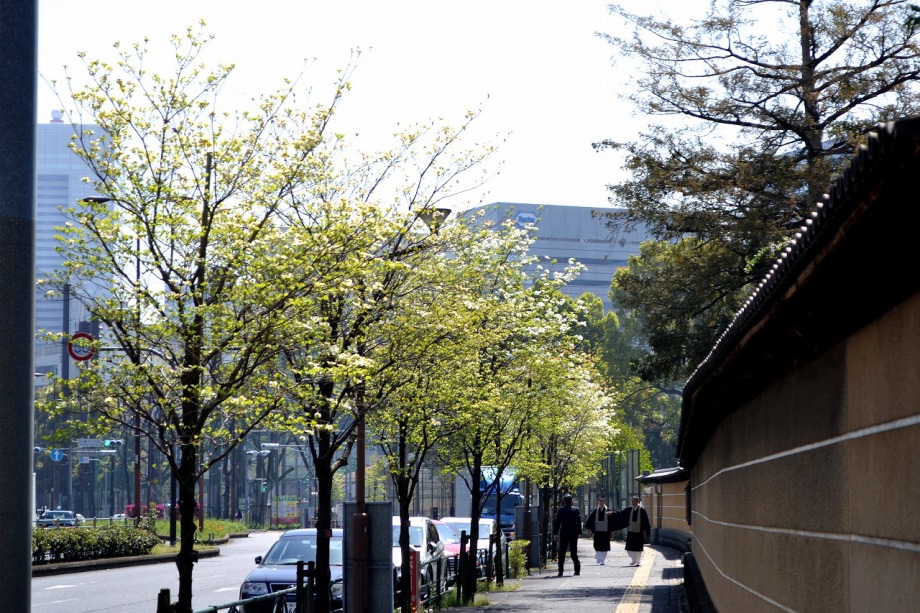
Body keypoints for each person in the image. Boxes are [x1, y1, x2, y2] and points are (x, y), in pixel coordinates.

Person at [553, 493, 582, 576]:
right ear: (571, 501)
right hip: (573, 532)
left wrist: (555, 533)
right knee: (574, 552)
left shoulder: (561, 510)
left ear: (564, 501)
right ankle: (577, 570)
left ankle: (560, 571)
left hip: (564, 532)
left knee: (562, 552)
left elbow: (557, 523)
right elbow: (579, 522)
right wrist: (579, 532)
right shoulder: (576, 510)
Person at [584, 496, 614, 565]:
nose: (601, 502)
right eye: (600, 501)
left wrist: (612, 531)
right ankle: (600, 558)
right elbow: (591, 521)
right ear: (598, 502)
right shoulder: (595, 511)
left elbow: (612, 522)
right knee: (597, 546)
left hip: (606, 532)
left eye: (602, 501)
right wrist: (591, 531)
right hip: (597, 532)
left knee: (605, 547)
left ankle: (602, 560)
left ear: (605, 502)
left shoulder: (608, 511)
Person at [623, 495, 651, 566]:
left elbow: (646, 521)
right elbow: (622, 514)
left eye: (634, 500)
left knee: (638, 548)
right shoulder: (629, 509)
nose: (632, 502)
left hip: (639, 531)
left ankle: (638, 561)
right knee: (630, 547)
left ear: (638, 501)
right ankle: (633, 560)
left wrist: (645, 530)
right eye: (632, 500)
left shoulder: (642, 510)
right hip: (631, 531)